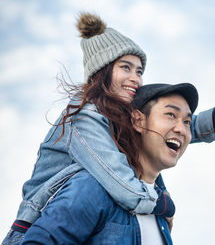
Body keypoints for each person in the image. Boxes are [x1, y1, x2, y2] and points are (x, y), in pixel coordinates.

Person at [2, 12, 215, 244]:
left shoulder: (122, 118)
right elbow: (124, 185)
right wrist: (164, 205)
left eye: (139, 71)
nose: (135, 78)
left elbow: (190, 128)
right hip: (34, 226)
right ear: (102, 72)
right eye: (125, 68)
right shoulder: (83, 118)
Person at [21, 83, 200, 244]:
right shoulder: (93, 187)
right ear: (138, 120)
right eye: (171, 114)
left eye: (187, 122)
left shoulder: (161, 213)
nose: (181, 129)